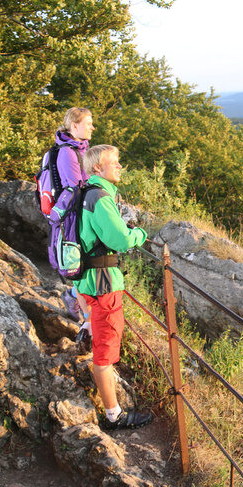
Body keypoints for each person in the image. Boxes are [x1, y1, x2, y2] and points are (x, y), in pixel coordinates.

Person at [74, 144, 152, 430]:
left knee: (101, 336)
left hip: (87, 279)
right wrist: (139, 234)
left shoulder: (86, 192)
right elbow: (120, 240)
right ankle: (113, 415)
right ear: (98, 167)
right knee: (104, 354)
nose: (120, 166)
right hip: (102, 283)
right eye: (114, 162)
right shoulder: (100, 198)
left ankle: (88, 327)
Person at [53, 108, 95, 338]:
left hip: (81, 214)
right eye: (88, 123)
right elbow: (75, 187)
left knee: (86, 263)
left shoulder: (81, 149)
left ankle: (72, 296)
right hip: (74, 218)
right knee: (79, 266)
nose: (92, 127)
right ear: (74, 126)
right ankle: (87, 320)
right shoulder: (67, 152)